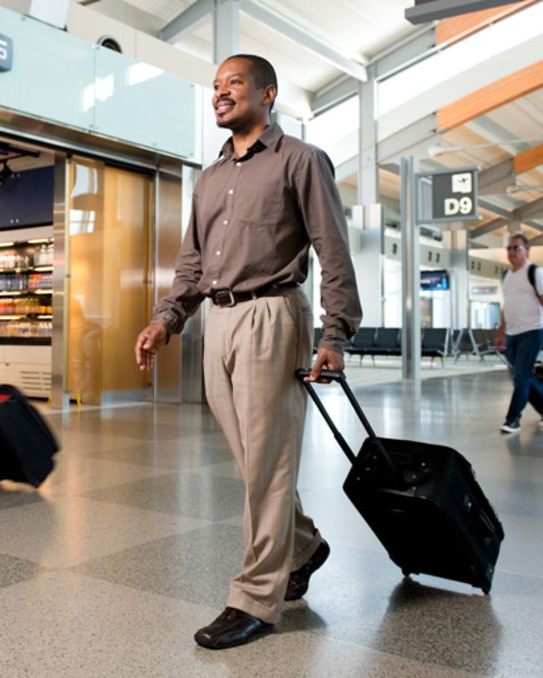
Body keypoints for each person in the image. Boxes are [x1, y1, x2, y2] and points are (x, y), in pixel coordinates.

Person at [134, 54, 360, 650]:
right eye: (214, 87)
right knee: (255, 463)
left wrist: (335, 334)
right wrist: (167, 320)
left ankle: (255, 596)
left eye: (233, 83)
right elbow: (191, 263)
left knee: (267, 463)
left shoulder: (301, 160)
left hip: (271, 315)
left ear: (269, 93)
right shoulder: (208, 179)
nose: (220, 94)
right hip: (219, 321)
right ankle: (304, 543)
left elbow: (332, 250)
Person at [494, 233, 543, 433]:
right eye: (509, 248)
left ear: (527, 251)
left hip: (532, 332)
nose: (512, 252)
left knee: (521, 376)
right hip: (513, 333)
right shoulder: (507, 276)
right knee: (521, 376)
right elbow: (507, 306)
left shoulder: (536, 272)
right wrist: (502, 332)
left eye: (517, 248)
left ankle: (512, 419)